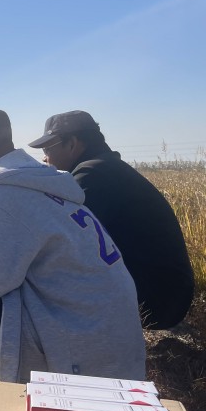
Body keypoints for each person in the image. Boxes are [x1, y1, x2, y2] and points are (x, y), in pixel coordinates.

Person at [0, 106, 145, 383]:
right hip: (114, 346)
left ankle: (45, 387)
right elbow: (8, 253)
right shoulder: (38, 181)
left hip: (90, 364)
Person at [28, 110, 194, 330]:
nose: (44, 157)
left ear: (72, 144)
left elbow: (58, 239)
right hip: (168, 295)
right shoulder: (106, 167)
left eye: (48, 149)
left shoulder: (93, 175)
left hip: (155, 301)